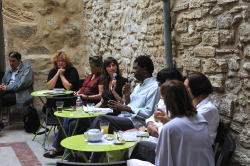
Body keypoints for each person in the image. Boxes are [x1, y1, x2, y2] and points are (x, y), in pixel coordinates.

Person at [128, 80, 215, 166]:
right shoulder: (200, 119)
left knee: (130, 162)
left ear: (167, 102)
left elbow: (162, 161)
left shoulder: (171, 127)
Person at [43, 56, 104, 158]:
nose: (91, 69)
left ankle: (64, 151)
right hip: (80, 103)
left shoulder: (101, 77)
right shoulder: (89, 76)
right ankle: (63, 150)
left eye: (93, 67)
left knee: (71, 122)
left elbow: (100, 95)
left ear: (99, 67)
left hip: (88, 105)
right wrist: (78, 92)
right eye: (90, 67)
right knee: (67, 120)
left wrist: (85, 96)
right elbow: (82, 88)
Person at [90, 55, 160, 133]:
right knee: (93, 119)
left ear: (144, 69)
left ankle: (89, 140)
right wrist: (127, 95)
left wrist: (125, 108)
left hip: (136, 122)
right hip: (124, 117)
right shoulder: (139, 86)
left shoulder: (154, 87)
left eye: (135, 68)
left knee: (101, 119)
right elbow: (129, 103)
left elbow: (148, 113)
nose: (133, 71)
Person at [130, 68, 182, 164]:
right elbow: (153, 115)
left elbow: (174, 131)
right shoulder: (163, 98)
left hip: (164, 144)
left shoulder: (179, 104)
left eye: (161, 83)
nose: (158, 86)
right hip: (156, 135)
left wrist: (150, 130)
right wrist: (149, 124)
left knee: (136, 148)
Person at [0, 51, 34, 129]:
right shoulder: (9, 69)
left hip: (21, 93)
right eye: (10, 61)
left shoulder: (27, 68)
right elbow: (4, 81)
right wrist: (3, 86)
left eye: (13, 61)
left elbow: (20, 84)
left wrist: (7, 88)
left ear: (19, 60)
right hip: (7, 91)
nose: (11, 63)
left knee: (3, 99)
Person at [184, 72, 219, 144]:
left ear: (196, 89)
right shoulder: (194, 105)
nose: (184, 91)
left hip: (199, 149)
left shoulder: (207, 109)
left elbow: (184, 128)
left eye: (186, 88)